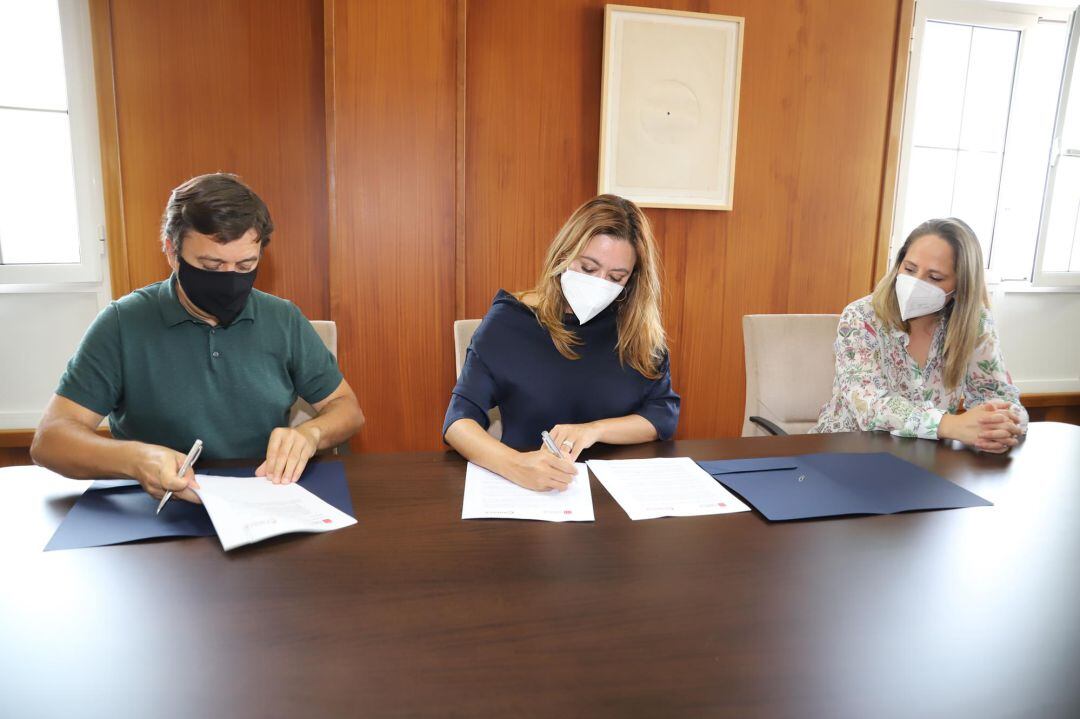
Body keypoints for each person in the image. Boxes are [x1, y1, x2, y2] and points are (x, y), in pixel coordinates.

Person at [31, 173, 364, 502]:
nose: (230, 281)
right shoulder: (123, 323)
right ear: (171, 251)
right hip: (154, 505)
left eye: (246, 264)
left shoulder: (283, 319)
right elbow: (50, 440)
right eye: (212, 265)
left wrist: (311, 433)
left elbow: (346, 408)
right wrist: (137, 460)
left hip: (263, 494)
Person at [443, 194, 680, 491]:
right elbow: (458, 422)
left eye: (616, 277)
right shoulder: (510, 323)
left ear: (632, 280)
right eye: (588, 269)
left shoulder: (636, 330)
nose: (600, 284)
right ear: (563, 257)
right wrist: (516, 465)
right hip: (531, 491)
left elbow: (662, 415)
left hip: (617, 496)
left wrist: (595, 431)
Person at [811, 217, 1026, 452]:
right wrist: (948, 425)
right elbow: (869, 406)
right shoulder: (861, 317)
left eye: (934, 277)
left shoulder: (975, 323)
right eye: (910, 269)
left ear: (960, 287)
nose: (915, 283)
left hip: (927, 459)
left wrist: (1001, 424)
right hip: (848, 453)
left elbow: (998, 395)